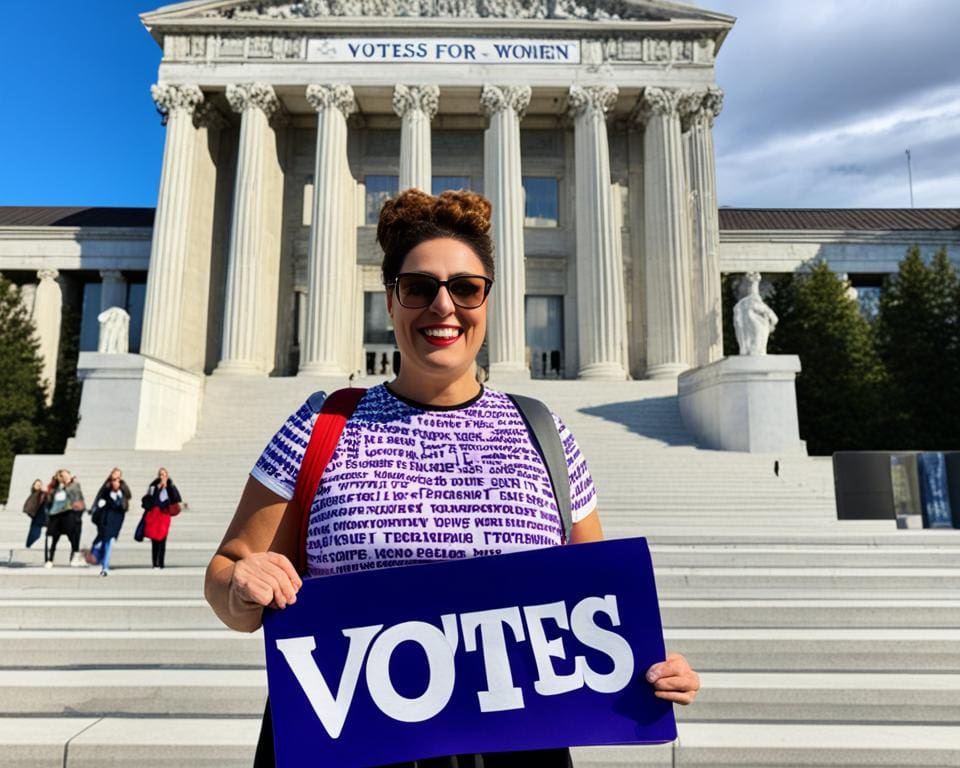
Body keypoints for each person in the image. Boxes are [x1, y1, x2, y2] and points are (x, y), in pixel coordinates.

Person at [205, 189, 699, 767]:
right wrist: (243, 583)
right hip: (350, 748)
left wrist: (650, 664)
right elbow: (227, 574)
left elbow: (596, 606)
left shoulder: (542, 430)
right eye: (418, 288)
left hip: (518, 751)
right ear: (390, 302)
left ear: (486, 302)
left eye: (465, 288)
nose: (443, 306)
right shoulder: (322, 424)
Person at [86, 468, 132, 576]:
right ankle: (104, 565)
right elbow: (98, 499)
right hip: (105, 521)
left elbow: (125, 503)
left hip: (115, 522)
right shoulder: (106, 491)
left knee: (107, 542)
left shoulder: (123, 492)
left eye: (118, 479)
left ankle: (102, 562)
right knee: (105, 542)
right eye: (114, 479)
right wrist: (94, 509)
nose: (116, 481)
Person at [141, 468, 182, 569]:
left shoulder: (171, 487)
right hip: (155, 515)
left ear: (167, 476)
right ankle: (155, 563)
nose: (161, 477)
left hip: (165, 516)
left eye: (163, 475)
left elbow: (176, 499)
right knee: (154, 540)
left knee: (163, 539)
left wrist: (167, 487)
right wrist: (158, 489)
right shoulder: (154, 486)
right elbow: (148, 500)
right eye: (160, 475)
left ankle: (161, 563)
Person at [44, 469, 85, 568]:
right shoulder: (55, 488)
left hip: (68, 514)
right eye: (62, 476)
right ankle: (50, 559)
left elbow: (76, 495)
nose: (64, 477)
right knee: (54, 538)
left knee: (72, 537)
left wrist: (67, 484)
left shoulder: (74, 486)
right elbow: (49, 501)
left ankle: (74, 557)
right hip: (55, 515)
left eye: (66, 475)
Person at [23, 479, 49, 553]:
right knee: (34, 533)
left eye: (40, 484)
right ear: (33, 486)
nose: (38, 486)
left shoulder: (42, 493)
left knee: (36, 533)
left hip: (42, 515)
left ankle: (29, 546)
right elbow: (29, 505)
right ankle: (28, 546)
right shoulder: (34, 494)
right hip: (37, 516)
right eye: (37, 484)